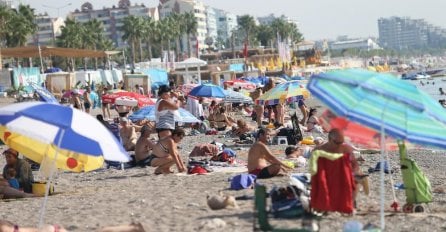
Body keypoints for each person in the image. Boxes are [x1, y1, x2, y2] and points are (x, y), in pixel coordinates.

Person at [310, 129, 359, 213]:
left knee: (357, 179)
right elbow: (314, 169)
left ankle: (350, 202)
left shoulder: (346, 148)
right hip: (326, 176)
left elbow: (355, 165)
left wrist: (353, 173)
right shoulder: (319, 150)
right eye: (337, 143)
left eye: (341, 142)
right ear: (329, 139)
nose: (339, 145)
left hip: (343, 175)